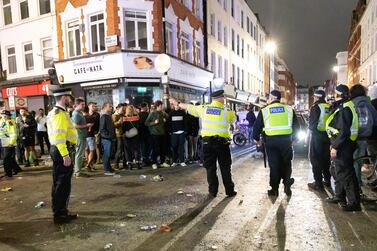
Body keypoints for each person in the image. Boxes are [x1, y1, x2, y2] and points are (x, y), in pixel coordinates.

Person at [170, 90, 237, 198]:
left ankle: (212, 192)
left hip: (207, 143)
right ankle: (229, 191)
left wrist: (176, 103)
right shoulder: (227, 111)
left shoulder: (204, 109)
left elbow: (188, 107)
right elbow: (233, 119)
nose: (224, 99)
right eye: (223, 98)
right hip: (222, 144)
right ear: (220, 98)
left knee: (210, 169)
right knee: (225, 168)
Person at [253, 90, 299, 197]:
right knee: (286, 163)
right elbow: (297, 126)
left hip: (271, 142)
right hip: (286, 141)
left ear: (272, 98)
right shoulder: (288, 109)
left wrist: (257, 140)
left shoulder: (264, 110)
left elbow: (256, 128)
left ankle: (274, 189)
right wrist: (295, 139)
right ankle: (287, 185)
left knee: (274, 165)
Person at [326, 84, 361, 211]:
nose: (333, 97)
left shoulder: (345, 108)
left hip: (343, 145)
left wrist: (335, 147)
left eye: (335, 94)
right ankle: (339, 195)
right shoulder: (343, 106)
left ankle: (354, 203)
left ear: (339, 94)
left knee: (346, 173)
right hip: (341, 143)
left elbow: (344, 130)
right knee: (336, 170)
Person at [47, 88, 78, 224]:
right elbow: (59, 136)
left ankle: (59, 210)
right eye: (69, 97)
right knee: (62, 183)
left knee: (59, 182)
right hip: (61, 150)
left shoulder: (56, 112)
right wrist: (65, 154)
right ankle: (60, 213)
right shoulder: (59, 114)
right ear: (64, 97)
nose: (71, 100)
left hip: (58, 149)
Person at [349, 85, 377, 195]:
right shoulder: (369, 104)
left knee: (353, 162)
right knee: (358, 162)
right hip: (365, 137)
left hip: (353, 136)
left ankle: (356, 187)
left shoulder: (352, 104)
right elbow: (375, 120)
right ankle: (358, 186)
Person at [307, 89, 331, 191]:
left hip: (317, 137)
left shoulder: (315, 107)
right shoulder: (329, 106)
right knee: (326, 159)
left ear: (316, 97)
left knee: (315, 159)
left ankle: (318, 183)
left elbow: (312, 124)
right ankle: (327, 180)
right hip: (328, 136)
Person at [145, 100, 170, 169]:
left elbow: (168, 117)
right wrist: (154, 122)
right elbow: (146, 123)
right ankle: (154, 163)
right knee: (155, 149)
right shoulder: (152, 113)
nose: (162, 107)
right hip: (154, 134)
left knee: (163, 149)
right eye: (161, 106)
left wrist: (165, 118)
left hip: (162, 133)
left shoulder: (162, 113)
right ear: (158, 106)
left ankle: (162, 162)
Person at [72, 98, 93, 178]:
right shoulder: (76, 114)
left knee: (80, 154)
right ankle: (77, 172)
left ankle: (78, 171)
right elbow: (75, 125)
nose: (84, 106)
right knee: (79, 154)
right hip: (79, 136)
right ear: (77, 105)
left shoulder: (79, 113)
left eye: (84, 104)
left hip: (82, 135)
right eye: (82, 104)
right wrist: (86, 125)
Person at [0, 110, 22, 179]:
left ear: (8, 116)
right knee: (10, 158)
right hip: (2, 142)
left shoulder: (11, 123)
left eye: (5, 115)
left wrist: (11, 143)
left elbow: (14, 133)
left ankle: (8, 173)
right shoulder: (1, 121)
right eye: (2, 114)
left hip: (9, 143)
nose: (3, 116)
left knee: (6, 159)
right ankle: (17, 169)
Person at [169, 102, 188, 167]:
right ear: (173, 106)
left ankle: (182, 161)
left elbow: (185, 122)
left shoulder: (183, 113)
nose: (176, 106)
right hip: (174, 133)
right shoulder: (171, 113)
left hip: (181, 132)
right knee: (174, 147)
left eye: (177, 105)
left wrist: (185, 131)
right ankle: (175, 161)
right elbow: (169, 123)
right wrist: (170, 131)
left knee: (181, 147)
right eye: (175, 105)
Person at [122, 105, 141, 169]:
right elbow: (139, 126)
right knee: (136, 149)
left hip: (127, 135)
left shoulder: (124, 118)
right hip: (135, 135)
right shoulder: (137, 117)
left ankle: (129, 164)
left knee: (128, 149)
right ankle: (138, 163)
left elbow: (123, 127)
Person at [100, 102, 116, 175]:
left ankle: (109, 168)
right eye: (109, 106)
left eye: (111, 106)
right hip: (106, 139)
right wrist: (108, 136)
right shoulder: (104, 116)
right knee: (106, 154)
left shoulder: (108, 116)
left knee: (109, 154)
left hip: (109, 138)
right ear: (105, 107)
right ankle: (107, 170)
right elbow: (102, 129)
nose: (111, 108)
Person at [84, 103, 98, 171]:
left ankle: (89, 165)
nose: (94, 107)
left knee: (86, 150)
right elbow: (95, 126)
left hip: (84, 136)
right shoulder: (91, 117)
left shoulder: (82, 117)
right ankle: (88, 164)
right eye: (92, 106)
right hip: (90, 135)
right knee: (92, 150)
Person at [112, 104, 125, 169]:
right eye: (122, 109)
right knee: (119, 150)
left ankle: (124, 164)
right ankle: (116, 164)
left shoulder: (121, 115)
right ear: (118, 109)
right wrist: (119, 122)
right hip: (118, 134)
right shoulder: (114, 115)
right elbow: (114, 125)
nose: (123, 110)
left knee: (122, 150)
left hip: (123, 133)